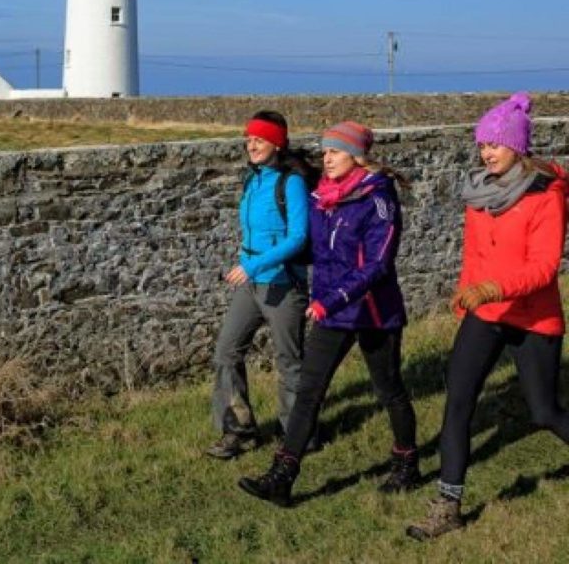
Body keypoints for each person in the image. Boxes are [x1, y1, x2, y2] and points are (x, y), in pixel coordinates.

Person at [408, 92, 569, 541]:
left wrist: (493, 288)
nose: (486, 152)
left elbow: (544, 267)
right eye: (481, 144)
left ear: (517, 146)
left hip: (533, 317)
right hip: (486, 310)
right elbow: (477, 254)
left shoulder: (545, 195)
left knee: (543, 411)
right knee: (458, 401)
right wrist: (467, 292)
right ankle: (448, 506)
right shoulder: (479, 192)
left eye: (495, 144)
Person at [239, 120, 420, 505]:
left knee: (389, 390)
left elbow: (378, 264)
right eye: (324, 151)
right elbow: (315, 251)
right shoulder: (324, 197)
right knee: (308, 392)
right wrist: (265, 260)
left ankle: (407, 462)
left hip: (373, 311)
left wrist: (331, 299)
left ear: (356, 156)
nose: (327, 158)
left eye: (335, 151)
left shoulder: (379, 200)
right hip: (331, 311)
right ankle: (282, 478)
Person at [207, 111, 314, 459]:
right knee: (226, 351)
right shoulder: (251, 180)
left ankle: (298, 437)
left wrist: (252, 264)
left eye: (259, 140)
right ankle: (237, 430)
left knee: (289, 361)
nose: (251, 145)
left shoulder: (291, 182)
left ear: (277, 144)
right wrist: (248, 264)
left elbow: (298, 237)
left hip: (284, 284)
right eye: (249, 139)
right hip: (252, 285)